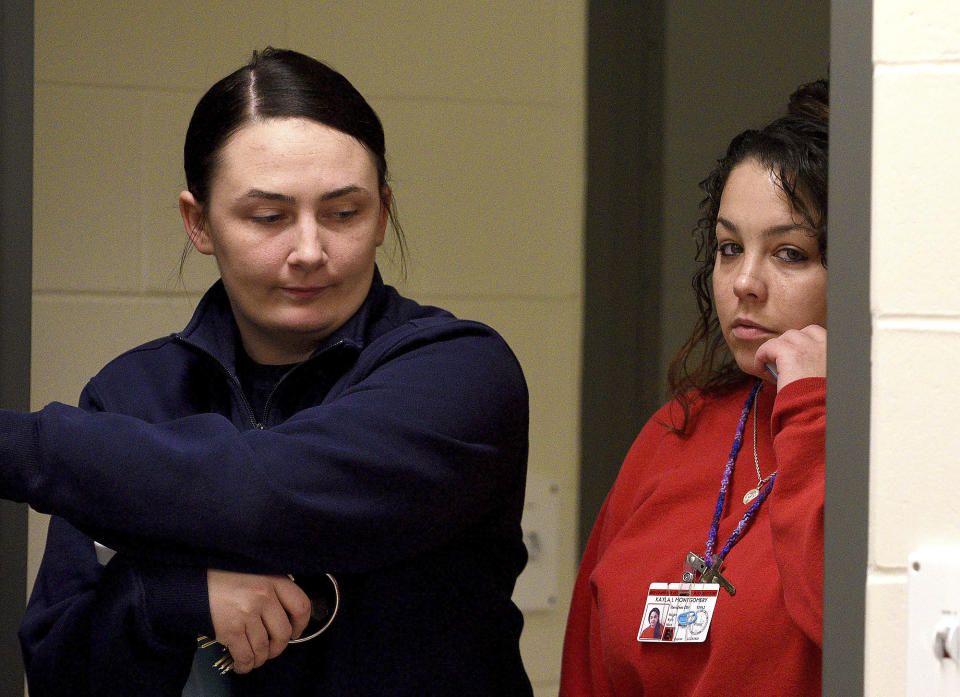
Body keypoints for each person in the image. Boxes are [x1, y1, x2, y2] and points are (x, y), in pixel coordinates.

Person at [2, 48, 533, 697]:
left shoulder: (458, 372)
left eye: (344, 213)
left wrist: (23, 446)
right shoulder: (132, 396)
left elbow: (267, 491)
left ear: (383, 212)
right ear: (199, 222)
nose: (309, 251)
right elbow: (59, 675)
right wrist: (160, 597)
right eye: (268, 217)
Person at [560, 80, 827, 696]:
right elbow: (587, 663)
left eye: (789, 254)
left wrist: (812, 407)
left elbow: (850, 629)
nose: (745, 283)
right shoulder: (680, 428)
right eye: (730, 249)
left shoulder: (898, 445)